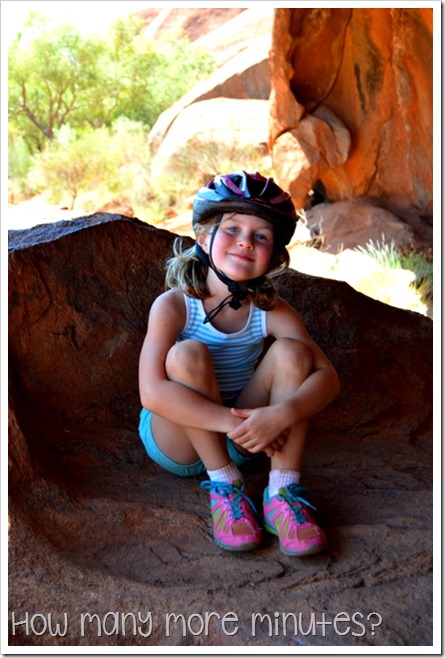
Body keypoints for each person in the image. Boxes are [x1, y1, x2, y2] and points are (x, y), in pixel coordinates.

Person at [138, 170, 341, 557]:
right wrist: (235, 423)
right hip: (178, 442)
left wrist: (281, 414)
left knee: (293, 353)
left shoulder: (271, 310)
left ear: (274, 255)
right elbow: (151, 393)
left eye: (261, 236)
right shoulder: (174, 305)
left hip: (247, 438)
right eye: (232, 229)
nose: (246, 242)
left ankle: (282, 493)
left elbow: (327, 378)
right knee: (186, 354)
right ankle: (226, 487)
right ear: (203, 238)